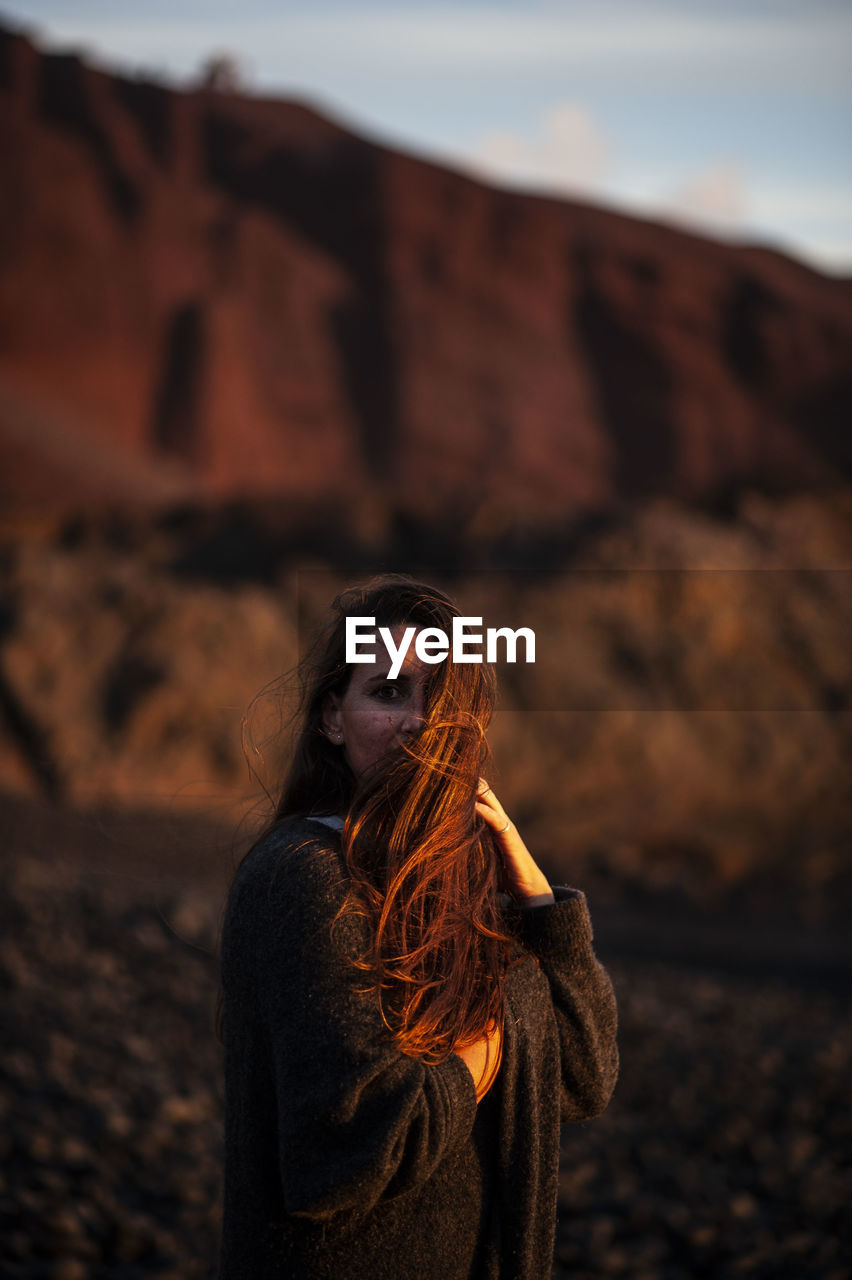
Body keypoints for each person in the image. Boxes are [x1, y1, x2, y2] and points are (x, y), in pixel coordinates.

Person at [219, 575, 618, 1280]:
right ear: (332, 718)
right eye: (389, 692)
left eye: (443, 700)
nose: (421, 723)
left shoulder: (465, 888)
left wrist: (530, 885)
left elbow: (583, 1077)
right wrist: (488, 1052)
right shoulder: (305, 876)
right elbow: (341, 1150)